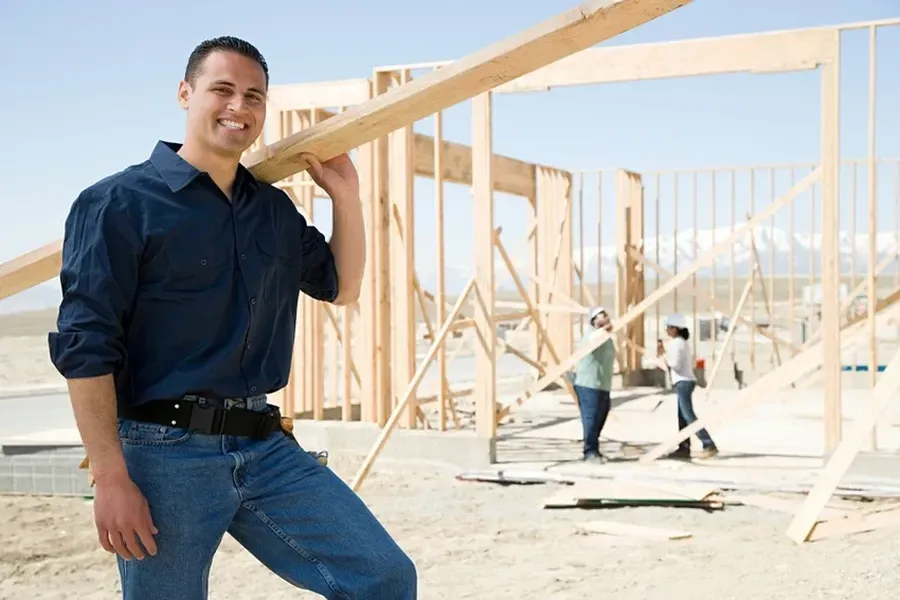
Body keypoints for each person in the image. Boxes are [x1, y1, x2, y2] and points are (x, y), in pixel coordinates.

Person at [47, 36, 416, 599]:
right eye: (222, 90)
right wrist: (111, 476)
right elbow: (85, 347)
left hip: (266, 447)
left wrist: (347, 196)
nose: (239, 107)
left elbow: (342, 287)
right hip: (162, 453)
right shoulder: (117, 203)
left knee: (384, 576)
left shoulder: (272, 209)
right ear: (185, 93)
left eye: (254, 97)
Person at [658, 314, 718, 459]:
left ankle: (708, 443)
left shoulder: (677, 343)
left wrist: (663, 356)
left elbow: (675, 365)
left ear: (675, 329)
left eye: (669, 328)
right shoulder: (681, 342)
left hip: (683, 382)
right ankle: (684, 447)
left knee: (688, 415)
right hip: (685, 381)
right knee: (683, 417)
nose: (667, 330)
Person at [571, 306, 616, 463]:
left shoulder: (608, 339)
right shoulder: (591, 336)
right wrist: (607, 327)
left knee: (600, 417)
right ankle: (589, 452)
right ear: (594, 321)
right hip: (588, 385)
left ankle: (594, 450)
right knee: (590, 418)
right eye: (601, 316)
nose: (605, 318)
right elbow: (596, 337)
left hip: (602, 385)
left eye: (606, 315)